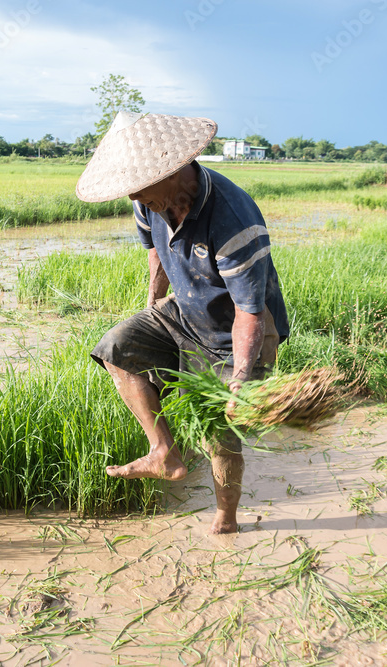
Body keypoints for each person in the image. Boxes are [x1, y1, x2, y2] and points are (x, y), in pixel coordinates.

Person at [76, 111, 289, 534]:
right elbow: (155, 253)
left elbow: (249, 311)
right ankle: (164, 454)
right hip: (185, 310)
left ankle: (226, 519)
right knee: (117, 345)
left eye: (140, 185)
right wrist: (151, 310)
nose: (134, 195)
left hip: (239, 330)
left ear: (171, 168)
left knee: (219, 432)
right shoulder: (147, 202)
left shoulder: (233, 219)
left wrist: (241, 378)